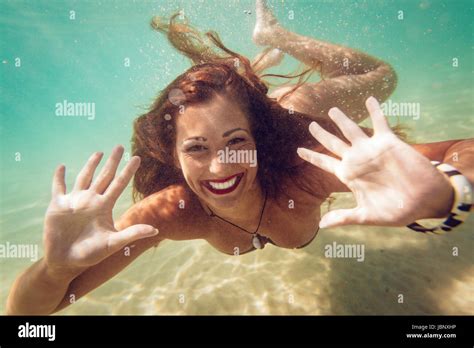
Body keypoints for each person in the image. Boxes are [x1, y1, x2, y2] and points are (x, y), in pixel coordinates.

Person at [6, 1, 473, 315]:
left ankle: (274, 35)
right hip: (253, 112)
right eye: (196, 148)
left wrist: (448, 191)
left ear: (258, 137)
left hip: (298, 108)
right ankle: (245, 84)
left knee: (380, 76)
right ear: (171, 154)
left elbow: (462, 151)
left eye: (235, 142)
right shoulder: (170, 213)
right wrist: (55, 270)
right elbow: (29, 319)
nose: (220, 167)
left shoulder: (309, 162)